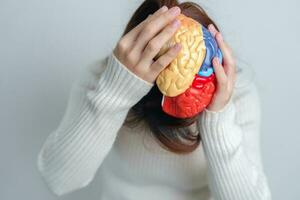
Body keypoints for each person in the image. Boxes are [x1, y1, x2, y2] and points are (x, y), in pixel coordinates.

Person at [36, 0, 272, 199]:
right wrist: (114, 93)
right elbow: (59, 180)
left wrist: (218, 118)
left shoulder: (237, 94)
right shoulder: (103, 80)